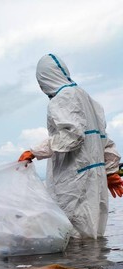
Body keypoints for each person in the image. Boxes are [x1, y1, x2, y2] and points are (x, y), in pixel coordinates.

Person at [18, 53, 122, 238]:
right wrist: (110, 171)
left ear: (44, 78)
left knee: (71, 232)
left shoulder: (62, 98)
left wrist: (34, 152)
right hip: (94, 178)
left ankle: (79, 266)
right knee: (93, 232)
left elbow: (72, 136)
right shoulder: (89, 100)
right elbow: (104, 140)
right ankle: (94, 266)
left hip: (74, 180)